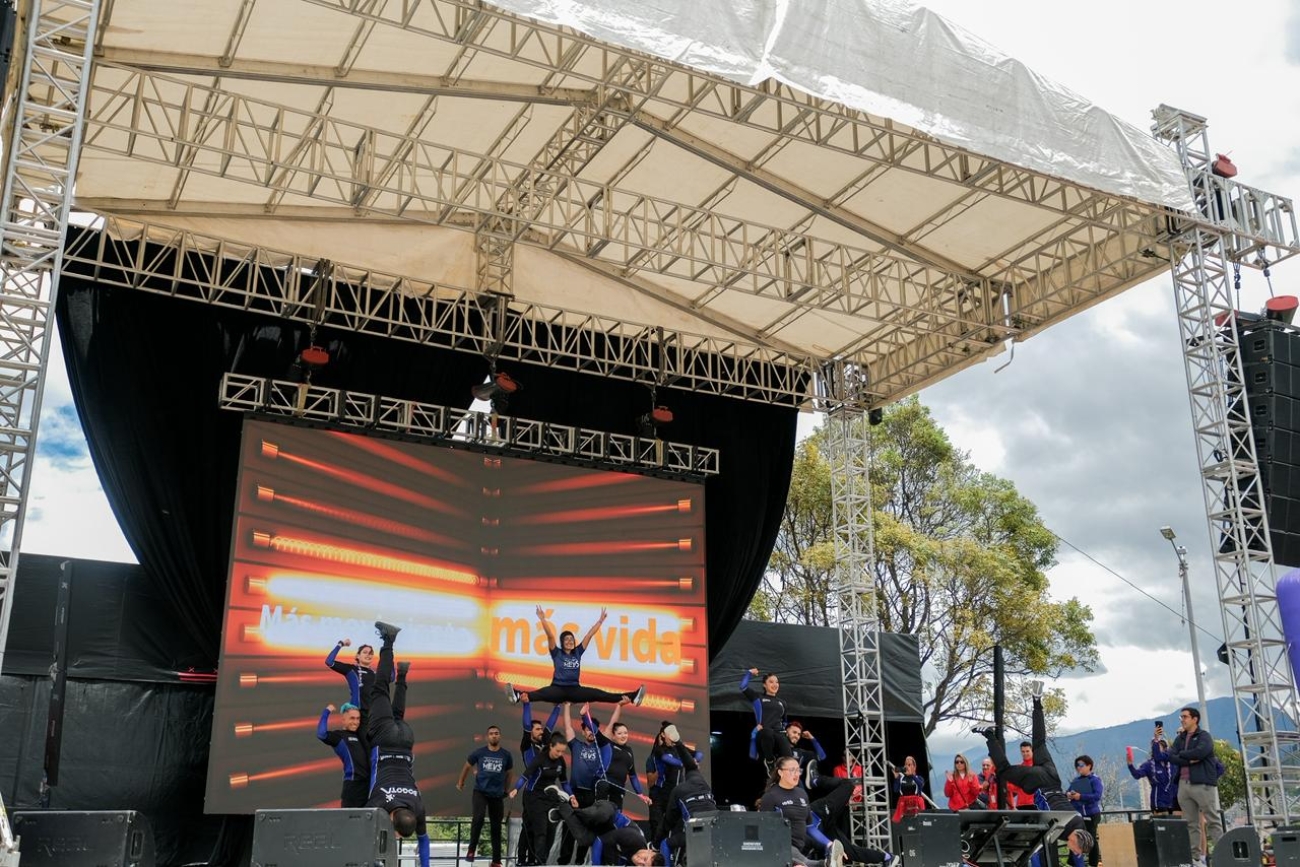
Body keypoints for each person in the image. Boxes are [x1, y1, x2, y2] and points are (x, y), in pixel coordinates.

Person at [363, 621, 430, 867]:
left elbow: (424, 840)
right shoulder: (379, 803)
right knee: (380, 689)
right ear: (392, 819)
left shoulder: (418, 807)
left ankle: (402, 674)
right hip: (386, 742)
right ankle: (389, 640)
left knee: (398, 715)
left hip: (406, 741)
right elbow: (364, 829)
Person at [974, 692, 1085, 839]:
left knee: (1039, 741)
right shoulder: (1064, 832)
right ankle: (988, 733)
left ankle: (1037, 701)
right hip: (1040, 785)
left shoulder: (1080, 822)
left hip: (1053, 777)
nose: (1025, 753)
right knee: (1004, 770)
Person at [507, 607, 645, 707]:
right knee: (540, 694)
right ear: (562, 642)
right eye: (566, 639)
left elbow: (589, 635)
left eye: (571, 639)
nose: (570, 641)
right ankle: (517, 695)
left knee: (599, 694)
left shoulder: (578, 652)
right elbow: (550, 636)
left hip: (574, 690)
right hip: (558, 689)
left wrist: (600, 621)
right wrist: (543, 619)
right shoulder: (557, 653)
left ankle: (633, 697)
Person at [1167, 706, 1223, 864]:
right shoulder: (1180, 739)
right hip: (1183, 785)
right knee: (1191, 823)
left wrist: (1181, 755)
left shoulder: (1204, 736)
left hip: (1202, 784)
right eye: (1181, 717)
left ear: (1195, 719)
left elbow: (1200, 753)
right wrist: (1188, 758)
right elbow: (1171, 756)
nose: (1182, 720)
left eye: (1185, 717)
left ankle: (1223, 854)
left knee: (1212, 820)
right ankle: (1196, 858)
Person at [509, 731, 573, 865]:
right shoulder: (540, 759)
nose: (560, 754)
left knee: (551, 831)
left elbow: (564, 782)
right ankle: (538, 862)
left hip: (550, 797)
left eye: (562, 751)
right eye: (557, 751)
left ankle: (541, 860)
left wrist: (572, 796)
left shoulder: (560, 761)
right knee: (540, 830)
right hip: (534, 796)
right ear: (551, 746)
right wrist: (516, 789)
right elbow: (525, 776)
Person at [458, 724, 514, 867]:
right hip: (480, 792)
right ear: (487, 737)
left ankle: (496, 861)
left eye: (496, 733)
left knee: (496, 827)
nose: (494, 735)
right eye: (491, 733)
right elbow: (467, 766)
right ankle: (471, 850)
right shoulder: (479, 752)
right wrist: (461, 782)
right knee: (478, 818)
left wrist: (506, 790)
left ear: (500, 736)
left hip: (497, 794)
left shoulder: (506, 755)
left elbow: (509, 773)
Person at [551, 799, 664, 866]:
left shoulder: (633, 862)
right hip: (609, 812)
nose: (639, 862)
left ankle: (563, 807)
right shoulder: (634, 838)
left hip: (602, 831)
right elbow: (601, 840)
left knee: (583, 839)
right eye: (644, 859)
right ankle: (572, 810)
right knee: (599, 816)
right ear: (650, 851)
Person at [517, 697, 562, 866]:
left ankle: (533, 860)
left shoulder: (545, 746)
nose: (541, 731)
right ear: (530, 732)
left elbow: (549, 726)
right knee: (529, 827)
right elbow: (526, 724)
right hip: (531, 793)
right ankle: (522, 861)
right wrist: (527, 703)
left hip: (545, 794)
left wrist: (557, 706)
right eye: (537, 729)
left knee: (543, 828)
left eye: (540, 729)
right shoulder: (527, 745)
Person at [560, 704, 606, 864]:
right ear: (583, 731)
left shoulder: (602, 748)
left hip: (591, 794)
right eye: (587, 729)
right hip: (574, 793)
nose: (590, 732)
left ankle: (580, 862)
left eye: (593, 729)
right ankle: (563, 862)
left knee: (587, 829)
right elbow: (567, 727)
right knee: (568, 828)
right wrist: (567, 706)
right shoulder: (576, 745)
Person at [591, 704, 652, 810]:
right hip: (604, 783)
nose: (623, 735)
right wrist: (584, 715)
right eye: (619, 733)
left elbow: (633, 776)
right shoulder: (607, 744)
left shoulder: (629, 751)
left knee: (617, 815)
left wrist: (641, 794)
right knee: (602, 811)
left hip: (619, 789)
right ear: (613, 735)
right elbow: (595, 731)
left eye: (625, 733)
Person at [316, 702, 369, 808]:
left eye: (358, 719)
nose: (355, 722)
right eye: (352, 718)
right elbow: (321, 734)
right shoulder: (339, 736)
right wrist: (327, 711)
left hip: (367, 786)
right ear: (343, 720)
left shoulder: (361, 736)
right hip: (353, 786)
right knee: (350, 817)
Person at [741, 667, 793, 766]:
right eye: (771, 682)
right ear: (764, 685)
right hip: (763, 733)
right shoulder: (758, 698)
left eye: (777, 682)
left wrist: (786, 730)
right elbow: (743, 686)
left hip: (778, 733)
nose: (775, 684)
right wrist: (749, 673)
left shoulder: (782, 703)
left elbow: (785, 721)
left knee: (789, 761)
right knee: (767, 732)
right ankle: (769, 761)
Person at [325, 638, 377, 728]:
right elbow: (329, 662)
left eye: (371, 653)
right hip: (357, 714)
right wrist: (341, 644)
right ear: (357, 656)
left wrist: (387, 655)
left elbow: (391, 677)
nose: (368, 655)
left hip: (373, 715)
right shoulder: (351, 669)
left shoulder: (375, 674)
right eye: (365, 652)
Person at [1127, 730, 1179, 816]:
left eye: (1161, 746)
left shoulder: (1172, 763)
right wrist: (1130, 765)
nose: (1157, 749)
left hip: (1173, 801)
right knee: (1163, 822)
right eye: (1155, 746)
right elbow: (1137, 775)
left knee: (1176, 822)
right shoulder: (1149, 765)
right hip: (1159, 802)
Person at [1067, 755, 1103, 867]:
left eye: (1081, 765)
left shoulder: (1095, 780)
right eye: (1077, 765)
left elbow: (1097, 796)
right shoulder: (1076, 781)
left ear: (1089, 766)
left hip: (1091, 814)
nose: (1079, 768)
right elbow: (1068, 792)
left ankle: (1093, 863)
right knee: (1075, 838)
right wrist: (1068, 794)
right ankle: (1074, 863)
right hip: (1078, 815)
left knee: (1091, 839)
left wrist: (1081, 796)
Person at [1008, 741, 1036, 811]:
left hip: (1034, 803)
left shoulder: (1037, 767)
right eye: (1023, 751)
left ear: (1032, 751)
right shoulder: (1019, 768)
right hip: (1021, 804)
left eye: (1027, 751)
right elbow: (1013, 787)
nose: (1025, 753)